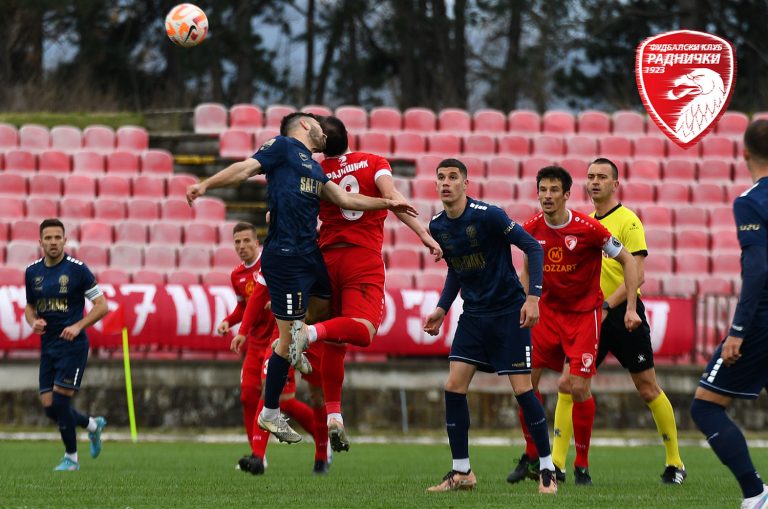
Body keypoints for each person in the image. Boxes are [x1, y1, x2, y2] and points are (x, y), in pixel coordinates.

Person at [187, 111, 416, 442]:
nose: (326, 132)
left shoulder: (313, 166)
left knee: (319, 312)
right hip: (286, 258)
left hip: (310, 256)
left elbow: (346, 198)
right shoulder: (281, 147)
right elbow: (245, 169)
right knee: (286, 339)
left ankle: (298, 346)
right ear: (306, 125)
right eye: (320, 125)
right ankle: (269, 413)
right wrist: (206, 184)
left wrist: (388, 203)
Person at [289, 115, 442, 453]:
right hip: (361, 259)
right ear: (348, 137)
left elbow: (290, 212)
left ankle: (334, 416)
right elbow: (394, 199)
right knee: (364, 329)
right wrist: (423, 235)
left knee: (336, 340)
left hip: (325, 258)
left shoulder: (314, 171)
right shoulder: (374, 162)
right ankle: (309, 333)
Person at [542, 158, 685, 485]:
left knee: (647, 388)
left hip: (622, 315)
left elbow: (637, 272)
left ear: (614, 184)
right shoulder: (584, 222)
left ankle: (675, 462)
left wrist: (614, 306)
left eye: (602, 177)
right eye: (590, 176)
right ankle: (559, 465)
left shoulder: (628, 221)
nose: (594, 182)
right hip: (589, 317)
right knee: (569, 384)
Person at [421, 159, 557, 494]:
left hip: (509, 312)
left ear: (466, 184)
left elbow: (532, 248)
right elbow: (456, 269)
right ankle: (462, 471)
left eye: (453, 177)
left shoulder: (488, 215)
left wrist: (533, 297)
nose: (446, 183)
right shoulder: (437, 226)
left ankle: (547, 470)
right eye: (441, 178)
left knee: (523, 390)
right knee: (454, 386)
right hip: (474, 315)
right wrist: (441, 307)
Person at [508, 166, 641, 486]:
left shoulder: (589, 229)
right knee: (525, 384)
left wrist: (631, 308)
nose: (547, 196)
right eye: (543, 190)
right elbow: (526, 263)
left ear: (567, 194)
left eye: (554, 190)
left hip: (583, 316)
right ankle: (532, 456)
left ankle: (581, 464)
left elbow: (629, 261)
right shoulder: (531, 229)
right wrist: (529, 299)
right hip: (546, 315)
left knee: (578, 388)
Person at [691, 119, 768, 509]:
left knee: (705, 405)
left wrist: (738, 330)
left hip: (762, 322)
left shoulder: (750, 201)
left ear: (745, 154)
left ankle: (756, 494)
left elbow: (757, 269)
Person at [216, 221, 328, 474]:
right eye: (237, 242)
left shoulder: (280, 259)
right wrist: (231, 323)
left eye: (247, 241)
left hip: (281, 336)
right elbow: (247, 305)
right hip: (256, 341)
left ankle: (322, 445)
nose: (242, 246)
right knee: (248, 395)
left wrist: (281, 305)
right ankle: (259, 455)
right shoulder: (237, 275)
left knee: (282, 398)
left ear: (258, 243)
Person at [24, 218, 109, 471]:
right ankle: (92, 426)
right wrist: (33, 322)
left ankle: (71, 458)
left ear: (65, 240)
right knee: (51, 409)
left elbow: (102, 306)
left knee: (61, 403)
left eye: (57, 237)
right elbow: (30, 307)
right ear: (40, 242)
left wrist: (78, 326)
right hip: (48, 346)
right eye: (48, 238)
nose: (53, 242)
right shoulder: (32, 272)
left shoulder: (77, 270)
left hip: (72, 347)